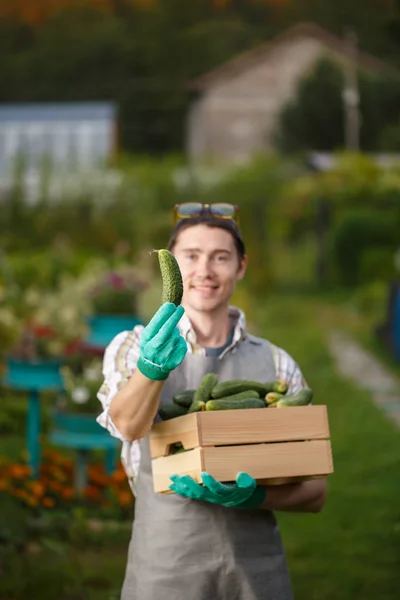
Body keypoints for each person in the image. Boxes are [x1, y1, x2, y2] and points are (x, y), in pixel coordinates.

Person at [97, 202, 327, 600]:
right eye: (191, 256)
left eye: (220, 257)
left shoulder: (277, 363)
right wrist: (151, 370)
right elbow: (128, 427)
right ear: (172, 265)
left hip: (254, 572)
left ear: (241, 266)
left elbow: (315, 492)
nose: (204, 271)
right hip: (165, 567)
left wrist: (255, 495)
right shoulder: (134, 347)